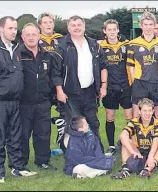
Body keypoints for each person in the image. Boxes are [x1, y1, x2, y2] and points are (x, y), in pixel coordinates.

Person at [0, 16, 36, 183]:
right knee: (0, 137)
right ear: (1, 29)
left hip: (15, 100)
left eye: (15, 28)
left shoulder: (16, 49)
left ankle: (16, 167)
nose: (13, 31)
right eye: (10, 28)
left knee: (15, 136)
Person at [52, 15, 108, 151]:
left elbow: (103, 66)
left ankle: (96, 150)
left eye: (79, 25)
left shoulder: (94, 44)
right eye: (73, 25)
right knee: (75, 124)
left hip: (90, 91)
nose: (77, 28)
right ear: (68, 28)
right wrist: (59, 91)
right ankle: (74, 153)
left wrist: (103, 86)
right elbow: (56, 71)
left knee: (93, 122)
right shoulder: (62, 45)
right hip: (70, 93)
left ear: (84, 26)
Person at [19, 23, 57, 170]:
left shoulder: (47, 55)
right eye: (27, 35)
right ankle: (21, 163)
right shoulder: (17, 55)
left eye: (34, 34)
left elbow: (53, 77)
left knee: (43, 133)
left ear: (39, 36)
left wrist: (52, 96)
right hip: (23, 103)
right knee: (23, 134)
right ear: (22, 37)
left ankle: (43, 161)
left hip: (43, 102)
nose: (31, 37)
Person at [126, 11, 158, 121]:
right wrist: (135, 81)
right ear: (141, 25)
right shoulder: (133, 44)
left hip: (157, 83)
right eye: (146, 24)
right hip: (140, 84)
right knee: (137, 116)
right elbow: (131, 66)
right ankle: (137, 138)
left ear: (154, 25)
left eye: (151, 24)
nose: (148, 27)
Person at [113, 98, 158, 179]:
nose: (147, 113)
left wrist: (151, 156)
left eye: (149, 110)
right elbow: (122, 135)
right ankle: (125, 169)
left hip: (153, 152)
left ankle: (147, 169)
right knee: (126, 141)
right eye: (144, 111)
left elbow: (157, 139)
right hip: (138, 152)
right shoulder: (134, 122)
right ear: (139, 111)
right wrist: (133, 152)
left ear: (153, 111)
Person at [100, 19, 132, 156]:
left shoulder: (126, 45)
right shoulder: (100, 47)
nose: (112, 32)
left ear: (118, 30)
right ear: (105, 31)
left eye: (114, 29)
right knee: (110, 115)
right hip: (110, 87)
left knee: (129, 116)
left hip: (125, 86)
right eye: (109, 30)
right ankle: (112, 145)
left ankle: (129, 142)